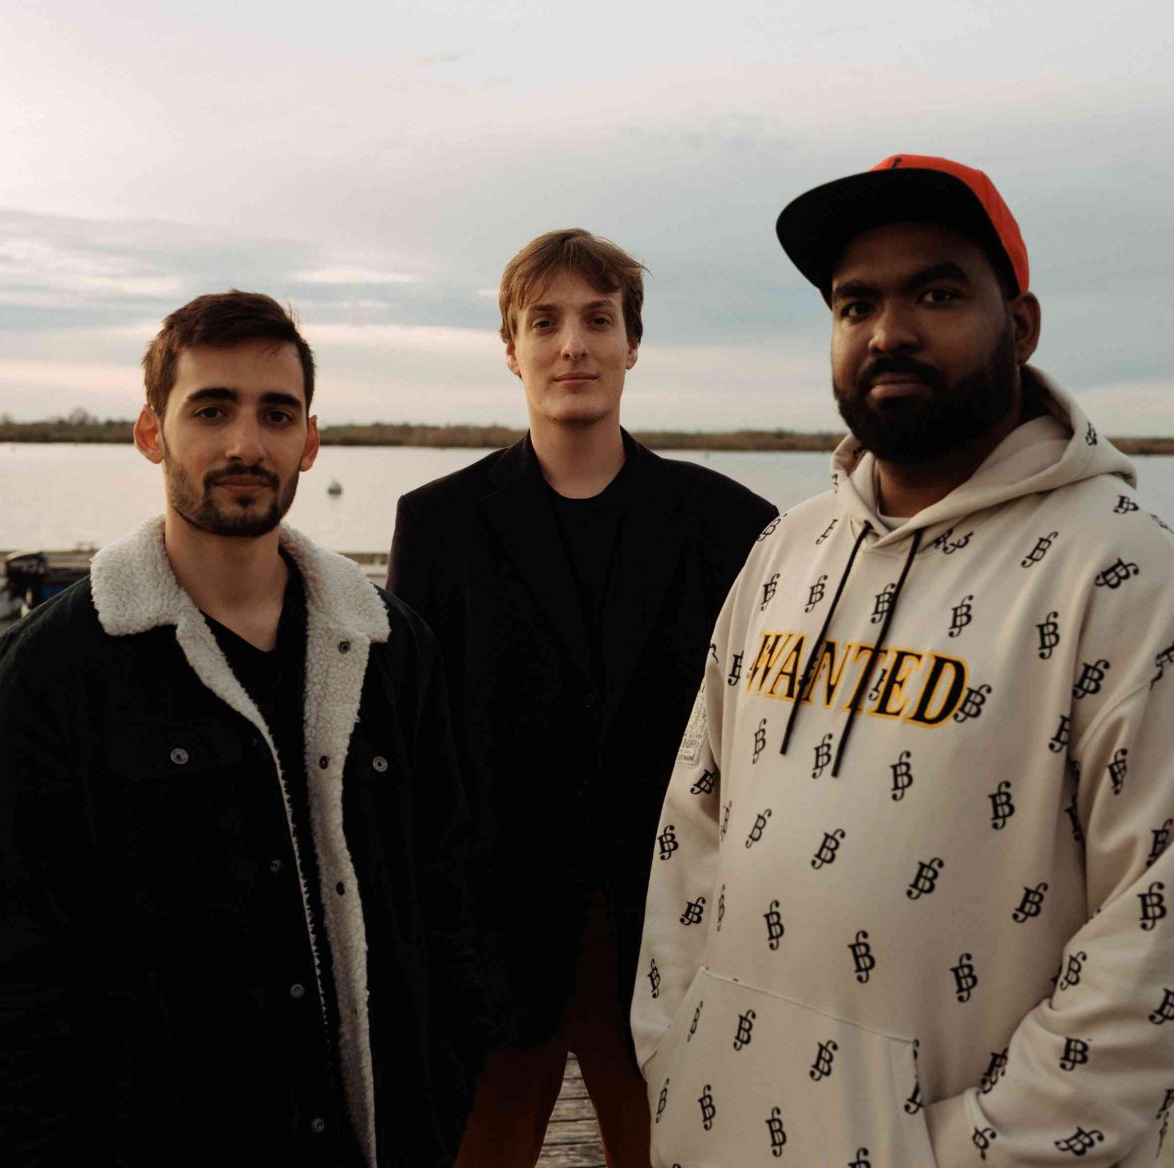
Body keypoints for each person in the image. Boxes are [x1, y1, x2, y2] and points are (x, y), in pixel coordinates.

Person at [632, 155, 1174, 1167]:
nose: (889, 331)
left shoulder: (1124, 571)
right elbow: (692, 824)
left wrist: (963, 1150)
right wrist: (677, 1057)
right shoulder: (786, 551)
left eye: (936, 293)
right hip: (717, 1131)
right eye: (856, 304)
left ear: (1021, 325)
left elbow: (1155, 931)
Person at [0, 291, 482, 1167]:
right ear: (151, 432)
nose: (246, 444)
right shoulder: (55, 669)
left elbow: (449, 898)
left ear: (309, 442)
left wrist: (437, 1096)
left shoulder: (390, 651)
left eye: (276, 415)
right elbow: (6, 970)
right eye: (211, 411)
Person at [386, 229, 776, 1167]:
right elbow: (410, 744)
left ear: (632, 344)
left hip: (674, 930)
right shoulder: (437, 524)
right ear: (510, 348)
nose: (573, 346)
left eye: (599, 321)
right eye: (545, 322)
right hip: (494, 935)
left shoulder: (732, 524)